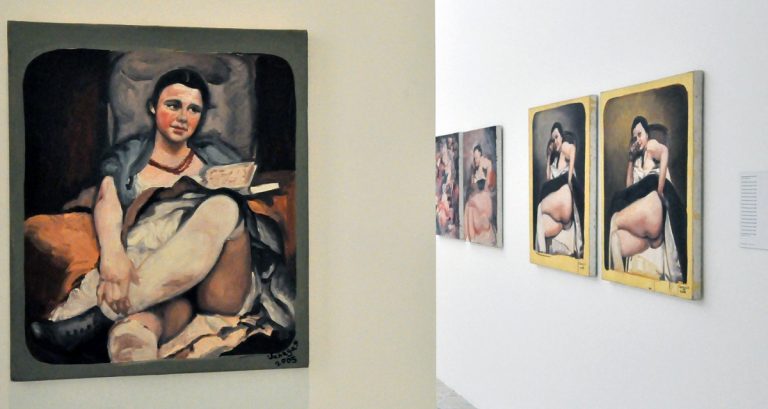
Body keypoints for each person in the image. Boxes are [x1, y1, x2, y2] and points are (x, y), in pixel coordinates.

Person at [31, 69, 287, 362]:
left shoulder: (218, 157)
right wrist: (113, 254)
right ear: (153, 106)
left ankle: (102, 316)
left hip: (220, 279)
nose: (183, 117)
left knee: (224, 206)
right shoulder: (130, 156)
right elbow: (106, 199)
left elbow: (250, 207)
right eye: (173, 105)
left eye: (193, 109)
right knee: (131, 335)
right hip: (163, 282)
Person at [607, 116, 686, 282]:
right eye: (634, 136)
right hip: (642, 223)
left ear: (647, 134)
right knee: (615, 239)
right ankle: (617, 280)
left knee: (614, 219)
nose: (637, 139)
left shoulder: (651, 146)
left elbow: (664, 152)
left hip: (653, 210)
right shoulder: (637, 160)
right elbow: (630, 189)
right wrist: (630, 159)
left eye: (640, 134)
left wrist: (660, 188)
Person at [534, 123, 584, 257]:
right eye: (553, 139)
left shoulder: (564, 149)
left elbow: (573, 149)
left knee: (539, 207)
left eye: (556, 137)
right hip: (558, 215)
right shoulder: (555, 160)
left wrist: (569, 177)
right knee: (541, 221)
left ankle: (541, 253)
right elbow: (549, 180)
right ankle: (541, 255)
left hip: (565, 201)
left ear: (562, 137)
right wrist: (549, 157)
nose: (555, 141)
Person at [464, 144, 496, 245]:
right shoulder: (474, 166)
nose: (476, 159)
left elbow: (489, 184)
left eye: (477, 156)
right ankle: (470, 237)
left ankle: (472, 236)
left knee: (471, 206)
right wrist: (475, 180)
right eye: (475, 157)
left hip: (485, 195)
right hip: (478, 193)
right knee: (469, 206)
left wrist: (483, 180)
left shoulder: (487, 163)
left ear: (481, 155)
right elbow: (473, 184)